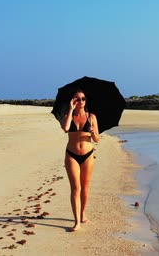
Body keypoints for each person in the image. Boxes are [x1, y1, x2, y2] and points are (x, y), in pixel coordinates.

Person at [60, 90, 100, 231]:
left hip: (88, 155)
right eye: (77, 99)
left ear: (85, 101)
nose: (81, 101)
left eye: (83, 98)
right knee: (75, 188)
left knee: (85, 188)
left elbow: (97, 140)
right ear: (73, 101)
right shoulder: (67, 116)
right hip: (71, 155)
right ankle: (77, 222)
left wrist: (94, 134)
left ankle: (83, 213)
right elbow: (65, 128)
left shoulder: (91, 117)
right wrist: (71, 110)